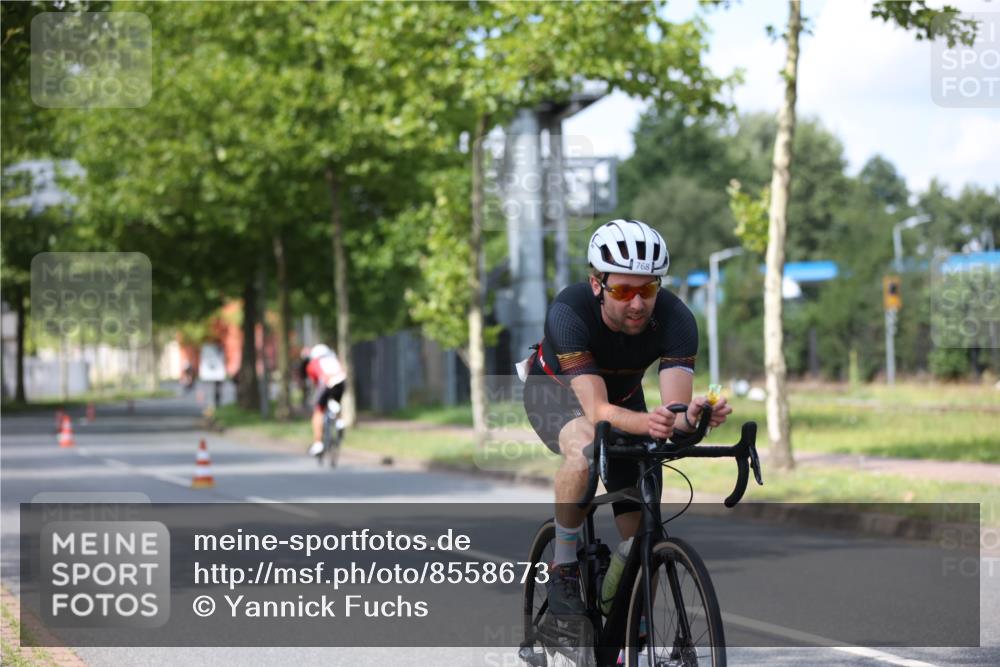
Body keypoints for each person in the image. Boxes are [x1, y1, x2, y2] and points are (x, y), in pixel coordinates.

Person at [521, 219, 733, 616]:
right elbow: (598, 412)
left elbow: (674, 416)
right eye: (622, 290)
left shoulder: (677, 319)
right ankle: (564, 565)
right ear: (598, 284)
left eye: (648, 289)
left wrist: (694, 416)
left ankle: (627, 641)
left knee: (643, 538)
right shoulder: (569, 311)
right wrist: (649, 424)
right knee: (584, 448)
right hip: (557, 395)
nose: (637, 303)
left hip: (625, 399)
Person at [305, 343, 347, 457]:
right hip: (341, 382)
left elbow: (315, 381)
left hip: (326, 384)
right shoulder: (334, 360)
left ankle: (318, 444)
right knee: (336, 403)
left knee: (318, 411)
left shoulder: (313, 363)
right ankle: (339, 422)